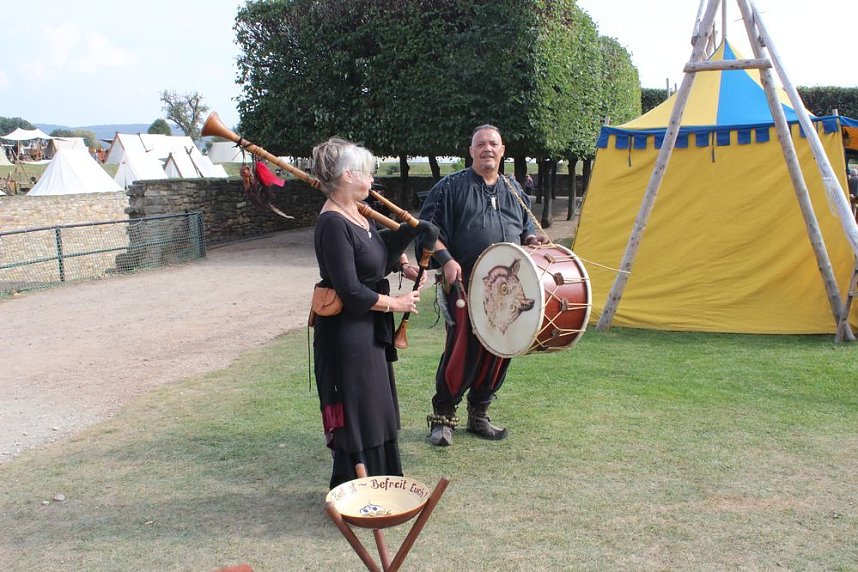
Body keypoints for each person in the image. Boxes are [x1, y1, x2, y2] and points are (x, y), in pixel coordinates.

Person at [416, 124, 549, 447]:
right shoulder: (449, 188)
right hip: (466, 285)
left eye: (493, 144)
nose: (487, 149)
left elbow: (527, 227)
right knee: (462, 351)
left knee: (500, 352)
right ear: (471, 150)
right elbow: (426, 232)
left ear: (502, 150)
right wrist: (446, 259)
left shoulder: (514, 188)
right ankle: (443, 418)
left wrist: (533, 238)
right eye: (480, 144)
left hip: (508, 291)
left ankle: (480, 414)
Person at [311, 136, 423, 488]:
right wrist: (398, 304)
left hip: (369, 331)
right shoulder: (332, 223)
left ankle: (384, 483)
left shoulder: (357, 214)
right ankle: (355, 488)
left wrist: (402, 263)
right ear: (346, 176)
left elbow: (373, 261)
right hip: (347, 335)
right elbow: (351, 289)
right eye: (367, 173)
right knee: (358, 411)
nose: (372, 180)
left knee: (376, 407)